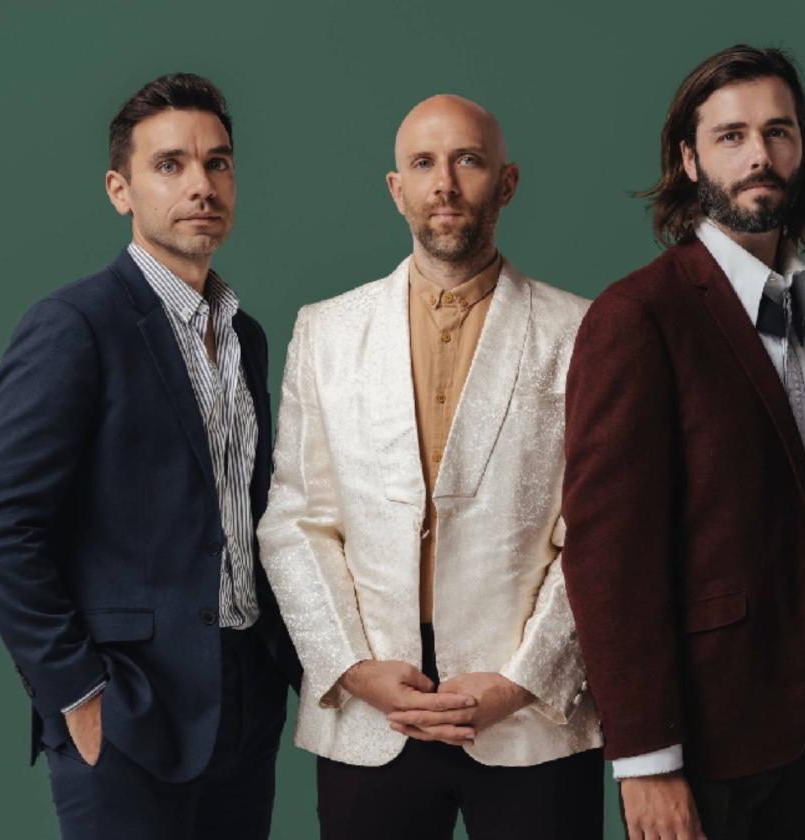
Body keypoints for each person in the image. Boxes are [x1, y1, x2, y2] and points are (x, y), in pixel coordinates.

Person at [562, 45, 805, 840]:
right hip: (703, 737)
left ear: (802, 147)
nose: (759, 156)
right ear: (688, 157)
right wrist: (646, 761)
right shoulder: (639, 316)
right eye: (732, 135)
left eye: (779, 133)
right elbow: (607, 554)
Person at [0, 73, 300, 840]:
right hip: (128, 713)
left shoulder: (245, 338)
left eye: (218, 163)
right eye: (170, 164)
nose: (201, 185)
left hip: (245, 705)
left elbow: (241, 515)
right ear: (121, 189)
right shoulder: (75, 326)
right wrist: (78, 692)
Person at [256, 94, 603, 839]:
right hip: (373, 710)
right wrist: (351, 667)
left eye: (467, 160)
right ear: (397, 188)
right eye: (423, 163)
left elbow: (604, 532)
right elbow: (295, 520)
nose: (444, 182)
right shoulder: (325, 332)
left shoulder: (584, 332)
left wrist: (523, 679)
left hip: (530, 717)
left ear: (506, 183)